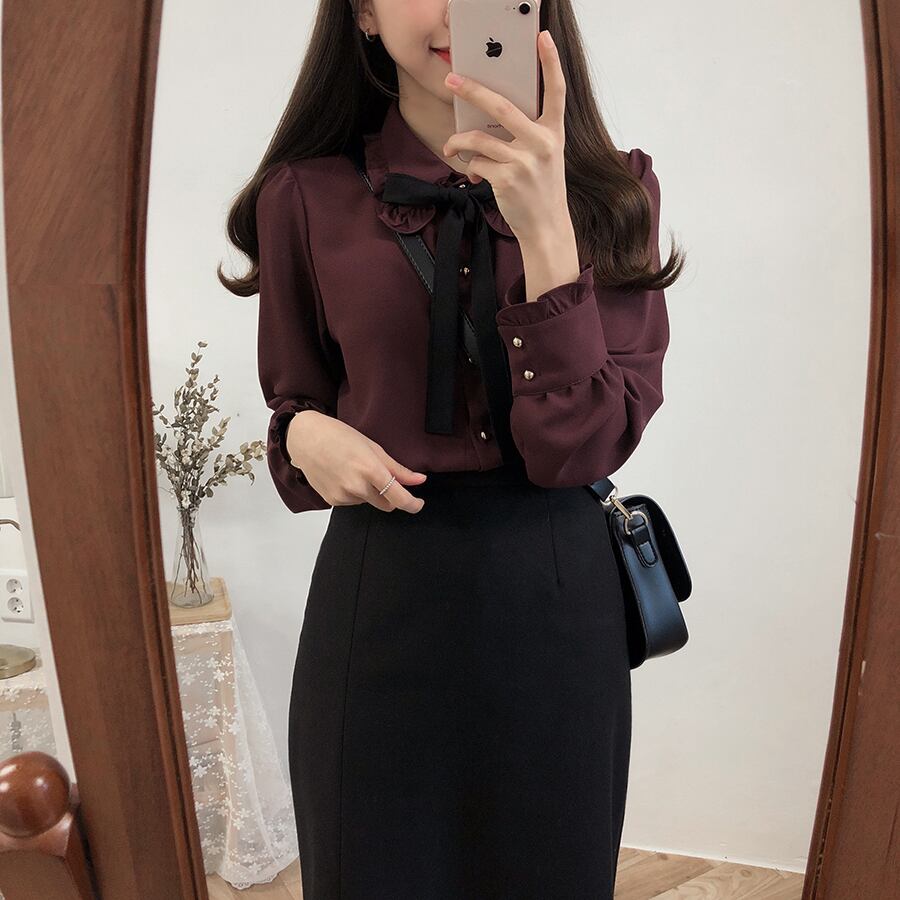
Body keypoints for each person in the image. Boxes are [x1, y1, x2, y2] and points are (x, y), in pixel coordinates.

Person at [219, 2, 685, 897]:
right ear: (362, 12)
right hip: (379, 598)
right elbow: (294, 401)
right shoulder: (303, 196)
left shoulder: (613, 191)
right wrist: (302, 434)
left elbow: (583, 446)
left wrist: (546, 228)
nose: (451, 7)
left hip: (557, 603)